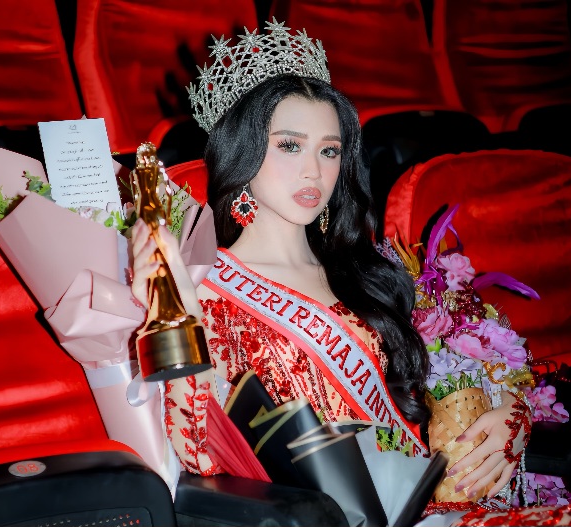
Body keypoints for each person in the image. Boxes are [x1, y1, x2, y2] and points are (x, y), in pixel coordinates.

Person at [130, 19, 529, 516]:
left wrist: (513, 416)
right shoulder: (208, 289)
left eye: (329, 150)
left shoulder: (374, 268)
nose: (314, 171)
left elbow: (482, 367)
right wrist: (178, 312)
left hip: (447, 500)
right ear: (243, 151)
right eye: (290, 145)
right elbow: (198, 455)